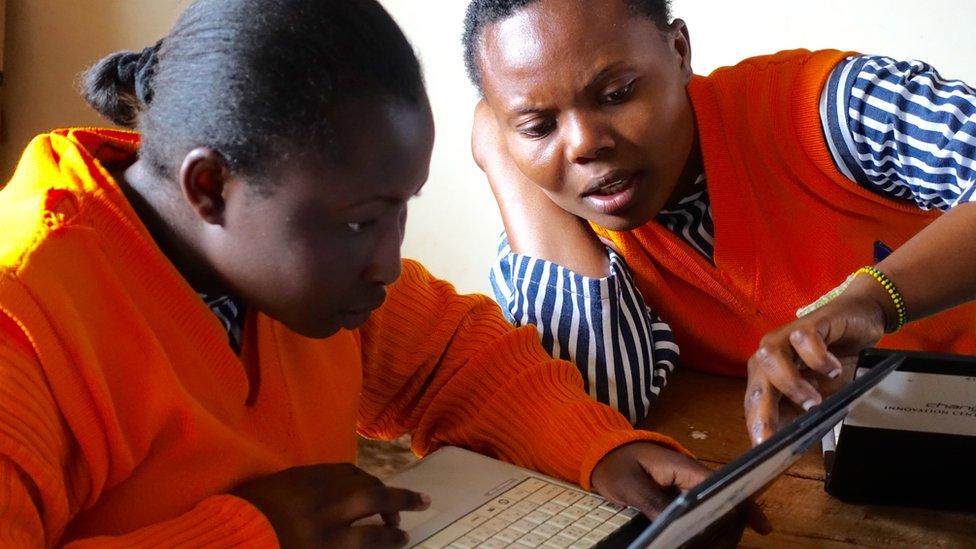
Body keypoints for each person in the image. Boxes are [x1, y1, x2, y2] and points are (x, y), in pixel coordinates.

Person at [0, 0, 770, 546]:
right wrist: (253, 532)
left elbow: (457, 363)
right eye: (364, 220)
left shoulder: (298, 270)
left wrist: (602, 451)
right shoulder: (24, 320)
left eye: (401, 210)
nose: (390, 260)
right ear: (209, 188)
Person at [464, 0, 976, 443]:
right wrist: (504, 162)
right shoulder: (570, 233)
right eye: (537, 124)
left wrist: (873, 300)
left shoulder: (828, 108)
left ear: (680, 51)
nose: (583, 144)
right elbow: (601, 400)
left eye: (617, 94)